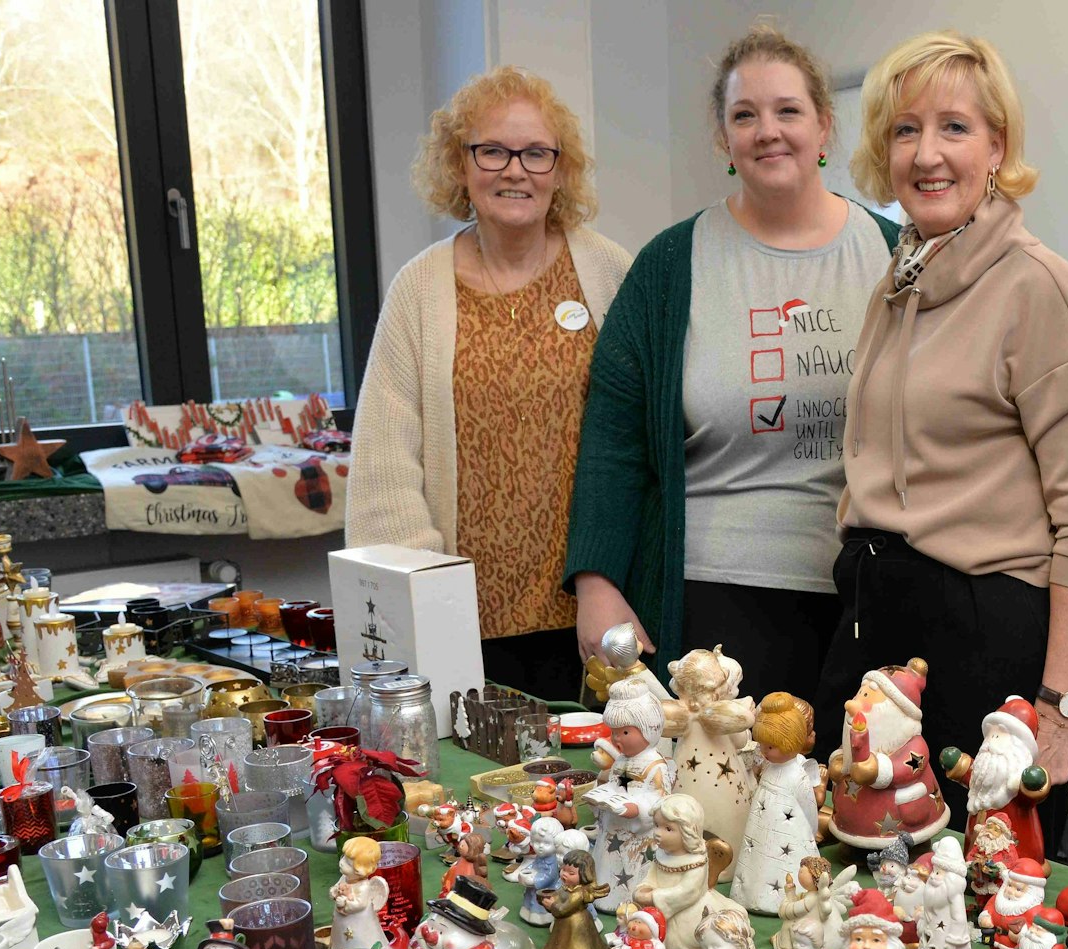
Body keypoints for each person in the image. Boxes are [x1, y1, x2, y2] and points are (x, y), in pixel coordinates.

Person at [815, 31, 1068, 844]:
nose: (927, 153)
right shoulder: (903, 274)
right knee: (859, 896)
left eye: (954, 127)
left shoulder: (1040, 287)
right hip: (877, 621)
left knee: (977, 917)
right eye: (905, 129)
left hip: (985, 644)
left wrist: (1058, 715)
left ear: (998, 145)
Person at [567, 26, 904, 700]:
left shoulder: (896, 255)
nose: (767, 131)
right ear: (724, 139)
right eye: (744, 115)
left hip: (861, 600)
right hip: (707, 607)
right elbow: (613, 439)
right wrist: (595, 584)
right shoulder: (669, 266)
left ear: (824, 125)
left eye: (787, 110)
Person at [350, 66, 632, 702]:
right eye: (493, 151)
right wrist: (427, 603)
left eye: (536, 153)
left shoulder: (610, 273)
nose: (515, 170)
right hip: (462, 624)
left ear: (560, 169)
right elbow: (385, 470)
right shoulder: (418, 292)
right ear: (461, 165)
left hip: (596, 608)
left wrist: (611, 575)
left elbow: (641, 441)